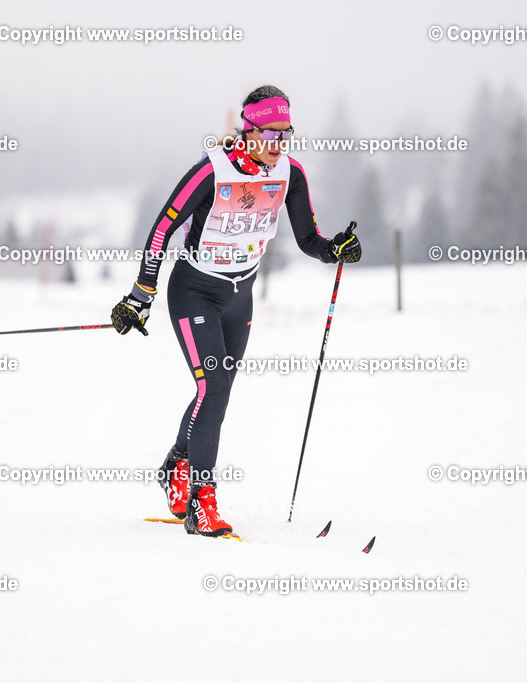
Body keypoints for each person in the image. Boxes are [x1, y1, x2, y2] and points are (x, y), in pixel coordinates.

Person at [110, 85, 362, 538]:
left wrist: (334, 250)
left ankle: (177, 463)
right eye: (271, 133)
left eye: (286, 133)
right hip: (194, 290)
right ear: (248, 130)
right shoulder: (212, 170)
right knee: (215, 389)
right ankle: (201, 503)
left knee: (216, 390)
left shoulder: (290, 174)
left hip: (239, 295)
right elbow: (161, 229)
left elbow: (308, 239)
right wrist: (140, 294)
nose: (279, 143)